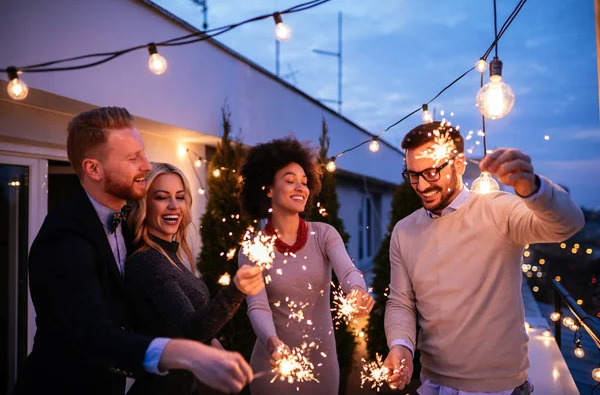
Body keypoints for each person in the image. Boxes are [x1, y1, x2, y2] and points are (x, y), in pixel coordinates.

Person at [14, 107, 253, 395]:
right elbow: (93, 336)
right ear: (93, 169)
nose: (145, 165)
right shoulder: (65, 238)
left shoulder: (127, 229)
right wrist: (188, 354)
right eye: (133, 158)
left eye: (143, 153)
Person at [383, 121, 585, 394]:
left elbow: (569, 224)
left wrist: (533, 187)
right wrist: (400, 345)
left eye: (431, 172)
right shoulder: (404, 231)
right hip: (432, 383)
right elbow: (401, 301)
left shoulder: (499, 210)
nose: (420, 185)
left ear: (459, 164)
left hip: (500, 387)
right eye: (412, 175)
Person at [237, 136, 375, 394]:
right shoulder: (252, 247)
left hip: (322, 368)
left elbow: (348, 271)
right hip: (272, 367)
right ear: (267, 189)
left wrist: (357, 291)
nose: (300, 187)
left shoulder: (323, 234)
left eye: (304, 181)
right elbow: (257, 306)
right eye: (290, 181)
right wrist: (272, 343)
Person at [124, 162, 265, 394]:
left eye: (179, 197)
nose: (173, 206)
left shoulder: (170, 256)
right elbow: (191, 330)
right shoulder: (148, 262)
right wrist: (236, 290)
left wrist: (212, 343)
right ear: (144, 204)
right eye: (161, 197)